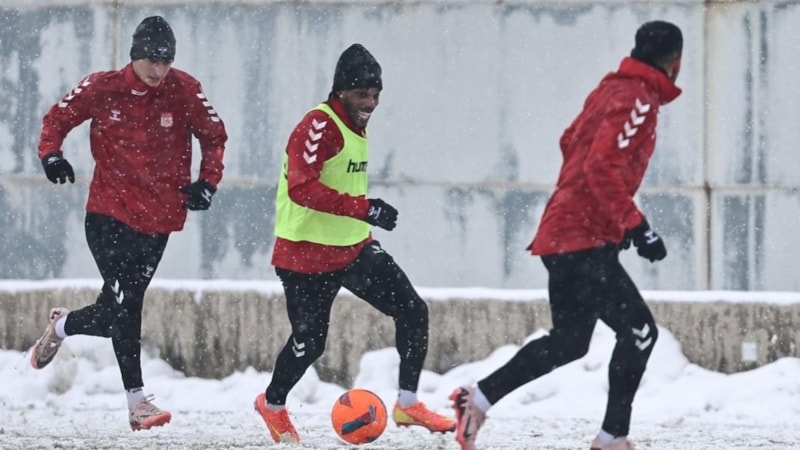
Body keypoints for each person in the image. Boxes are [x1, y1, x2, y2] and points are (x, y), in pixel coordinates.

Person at [450, 20, 683, 450]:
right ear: (675, 64)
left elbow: (570, 140)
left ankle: (476, 399)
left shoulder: (610, 89)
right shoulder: (638, 99)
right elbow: (601, 167)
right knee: (639, 332)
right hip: (581, 240)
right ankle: (612, 437)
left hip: (566, 235)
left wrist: (603, 215)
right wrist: (635, 224)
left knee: (570, 342)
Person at [29, 16, 226, 431]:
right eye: (152, 61)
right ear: (135, 56)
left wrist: (208, 181)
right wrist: (51, 154)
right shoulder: (103, 87)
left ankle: (61, 325)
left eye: (166, 61)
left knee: (112, 311)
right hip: (108, 216)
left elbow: (214, 135)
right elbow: (57, 118)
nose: (159, 70)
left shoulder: (185, 90)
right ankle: (137, 403)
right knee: (128, 306)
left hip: (158, 223)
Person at [253, 43, 455, 443]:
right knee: (309, 345)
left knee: (413, 311)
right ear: (341, 91)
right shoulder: (318, 125)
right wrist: (364, 208)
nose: (371, 103)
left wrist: (365, 218)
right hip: (305, 254)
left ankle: (408, 403)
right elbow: (301, 188)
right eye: (363, 94)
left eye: (376, 95)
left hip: (353, 249)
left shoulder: (356, 124)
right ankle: (272, 404)